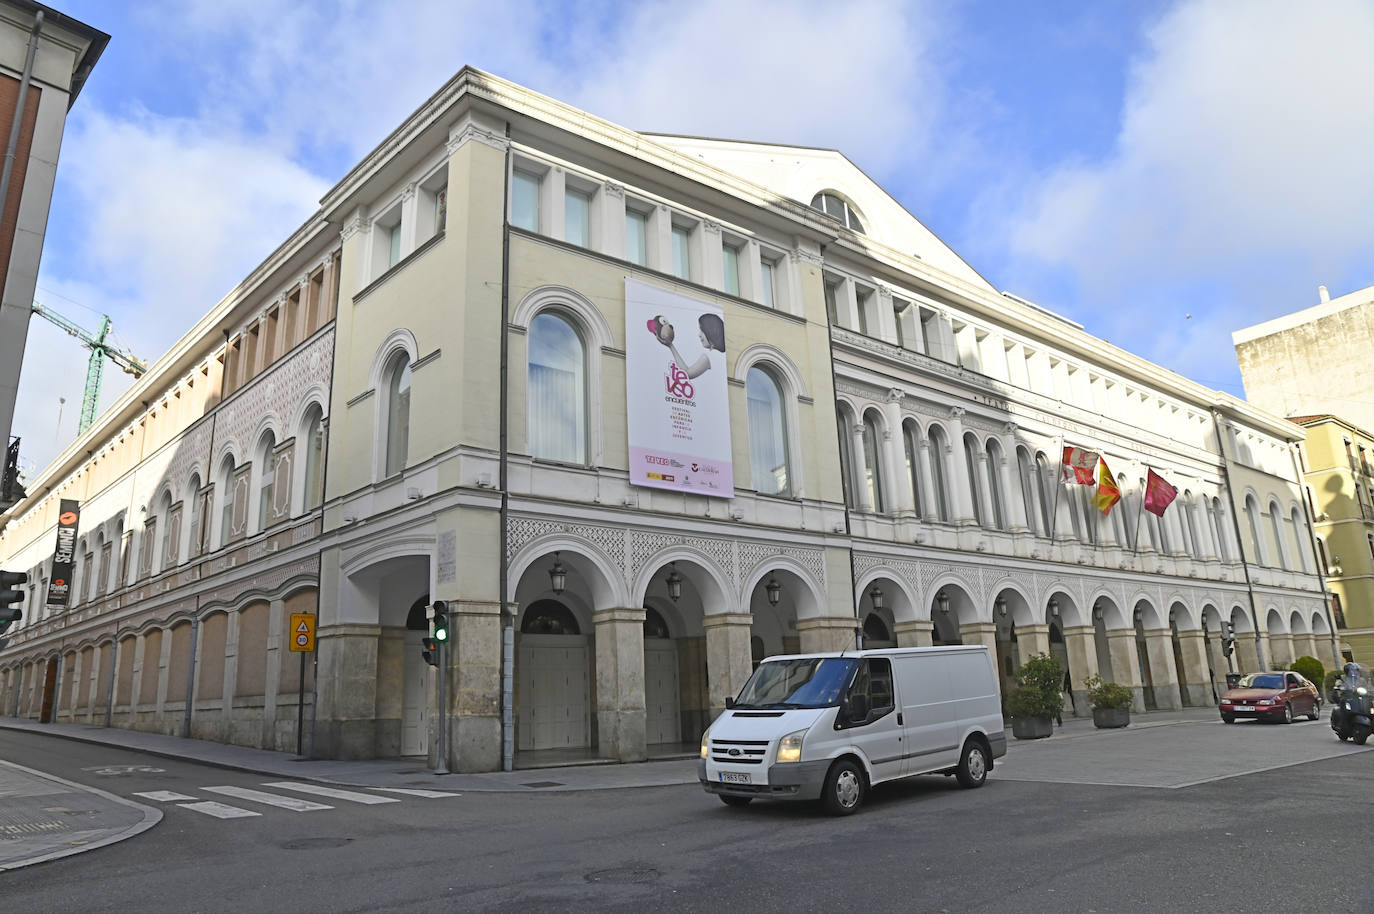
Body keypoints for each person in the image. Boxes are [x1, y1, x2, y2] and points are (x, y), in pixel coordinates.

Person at [658, 312, 725, 379]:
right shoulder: (720, 357)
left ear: (710, 331)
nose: (699, 334)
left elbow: (686, 374)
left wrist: (670, 346)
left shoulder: (710, 356)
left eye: (702, 330)